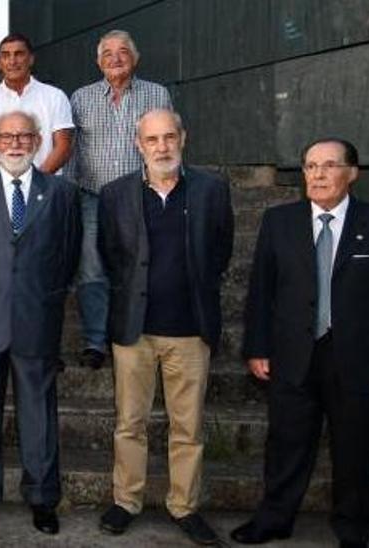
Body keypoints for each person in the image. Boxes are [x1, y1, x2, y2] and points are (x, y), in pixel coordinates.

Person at [231, 138, 369, 548]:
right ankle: (275, 519)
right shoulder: (278, 222)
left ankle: (353, 527)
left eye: (329, 165)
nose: (317, 174)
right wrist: (257, 347)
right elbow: (261, 291)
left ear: (352, 173)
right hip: (292, 355)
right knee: (286, 444)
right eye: (310, 166)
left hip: (359, 360)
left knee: (354, 450)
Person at [96, 109, 232, 545]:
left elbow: (221, 252)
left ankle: (184, 506)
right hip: (134, 330)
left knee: (187, 427)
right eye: (152, 139)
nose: (161, 147)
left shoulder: (212, 190)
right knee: (129, 422)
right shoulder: (115, 194)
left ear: (183, 138)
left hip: (191, 330)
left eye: (169, 137)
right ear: (139, 144)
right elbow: (110, 254)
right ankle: (126, 501)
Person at [0, 111, 80, 535]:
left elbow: (69, 256)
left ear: (39, 140)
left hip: (37, 320)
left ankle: (43, 497)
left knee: (39, 415)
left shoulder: (62, 193)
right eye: (6, 136)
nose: (15, 143)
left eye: (24, 136)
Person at [68, 30, 173, 369]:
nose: (115, 58)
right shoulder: (81, 98)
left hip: (139, 195)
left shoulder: (157, 94)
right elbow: (71, 151)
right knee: (91, 267)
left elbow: (168, 145)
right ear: (98, 61)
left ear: (135, 58)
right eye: (108, 53)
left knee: (138, 265)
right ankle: (96, 341)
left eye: (123, 52)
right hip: (92, 197)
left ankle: (140, 332)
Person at [0, 33, 73, 174]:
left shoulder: (55, 97)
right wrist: (7, 185)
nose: (12, 61)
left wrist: (36, 183)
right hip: (0, 191)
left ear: (30, 59)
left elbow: (63, 147)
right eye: (6, 55)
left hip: (47, 188)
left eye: (18, 54)